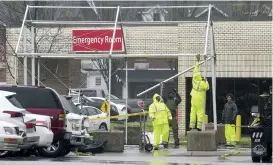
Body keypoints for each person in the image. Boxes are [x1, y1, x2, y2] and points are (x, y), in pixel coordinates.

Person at [189, 54, 210, 131]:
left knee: (193, 111)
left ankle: (191, 125)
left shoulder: (194, 79)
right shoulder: (202, 83)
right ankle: (199, 126)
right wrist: (206, 80)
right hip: (200, 99)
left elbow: (196, 69)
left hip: (193, 97)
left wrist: (197, 61)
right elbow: (207, 87)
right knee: (200, 112)